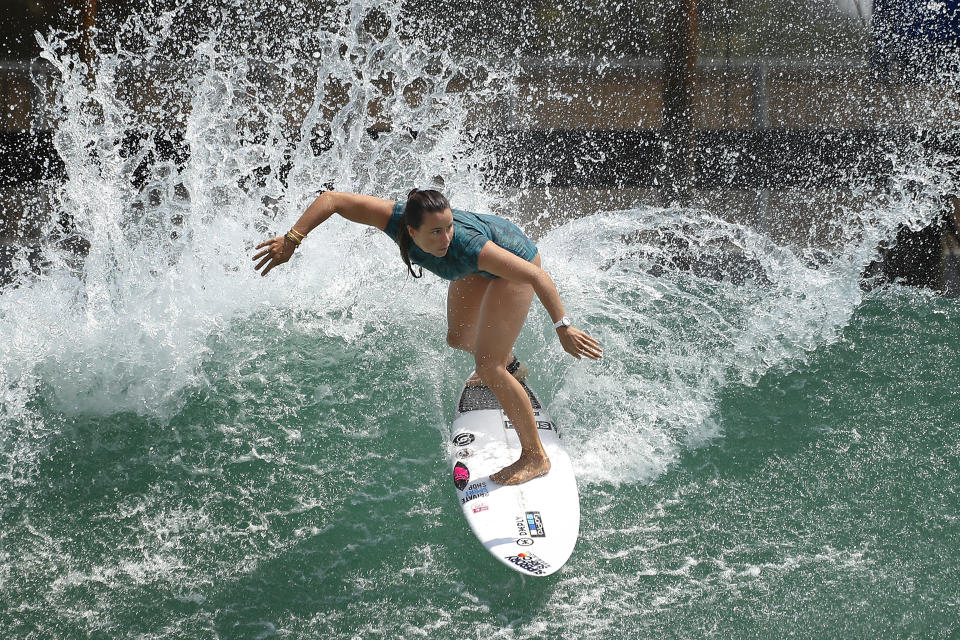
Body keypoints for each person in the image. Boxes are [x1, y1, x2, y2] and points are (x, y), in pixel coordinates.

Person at [252, 189, 602, 485]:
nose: (445, 239)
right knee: (460, 337)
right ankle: (511, 365)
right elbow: (332, 200)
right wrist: (292, 239)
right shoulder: (393, 219)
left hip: (513, 265)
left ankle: (535, 456)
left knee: (487, 364)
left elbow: (535, 276)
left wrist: (563, 327)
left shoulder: (464, 246)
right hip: (476, 267)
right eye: (435, 232)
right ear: (410, 229)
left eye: (449, 227)